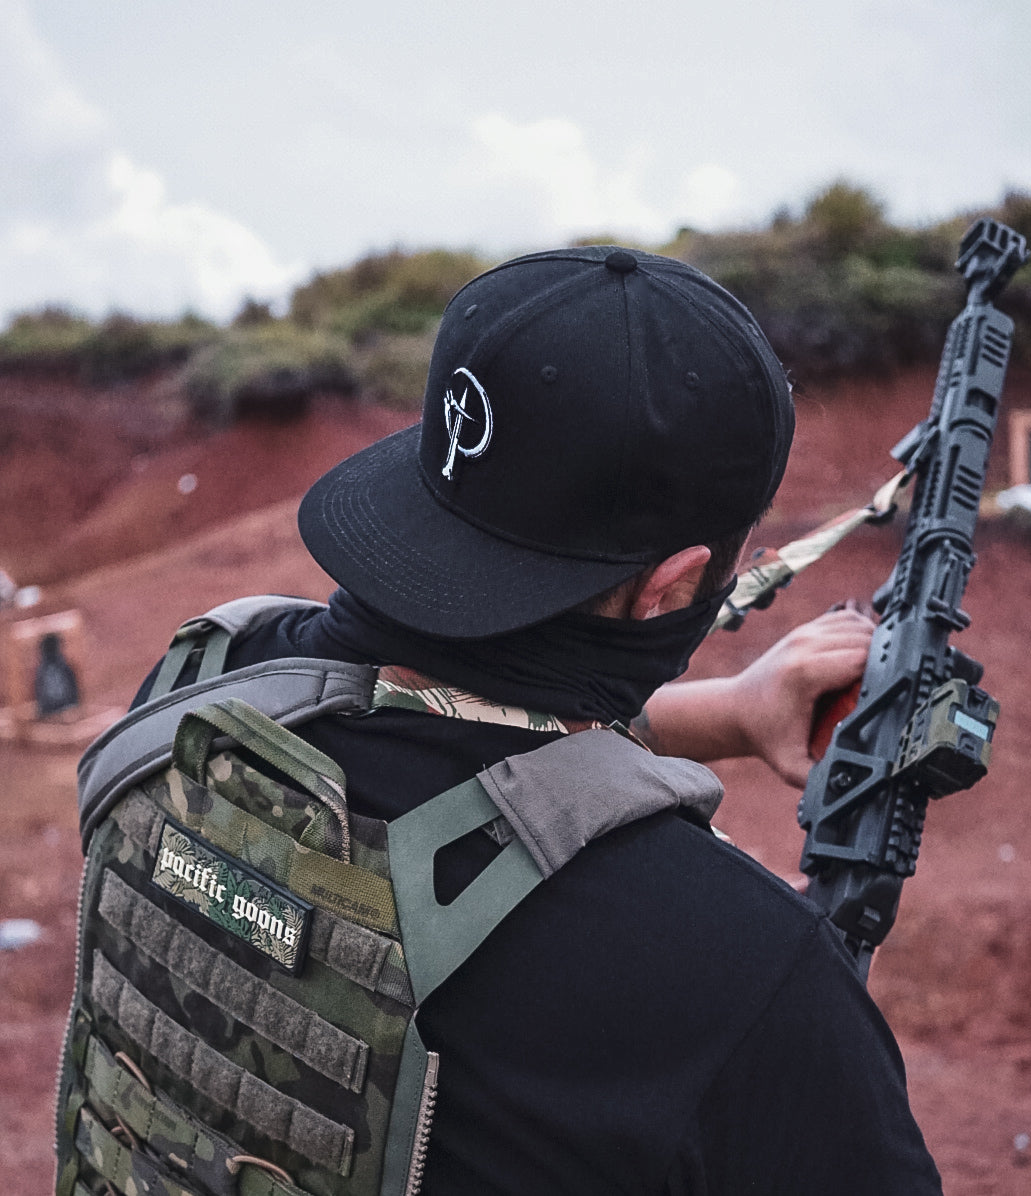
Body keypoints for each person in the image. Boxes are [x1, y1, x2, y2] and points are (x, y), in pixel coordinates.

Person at [133, 245, 941, 1193]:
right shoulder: (738, 976)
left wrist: (731, 712)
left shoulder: (199, 685)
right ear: (675, 587)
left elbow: (442, 725)